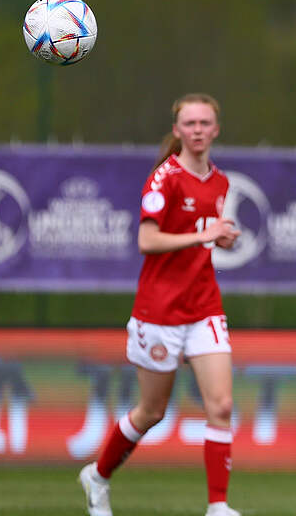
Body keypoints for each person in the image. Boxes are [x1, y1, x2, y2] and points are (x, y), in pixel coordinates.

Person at [79, 93, 243, 516]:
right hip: (160, 311)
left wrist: (221, 239)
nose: (197, 130)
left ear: (216, 129)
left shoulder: (221, 183)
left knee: (222, 406)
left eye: (204, 123)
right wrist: (204, 236)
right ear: (177, 130)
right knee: (151, 411)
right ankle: (97, 476)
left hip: (204, 306)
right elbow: (146, 240)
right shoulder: (164, 179)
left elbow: (204, 236)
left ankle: (218, 506)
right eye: (189, 123)